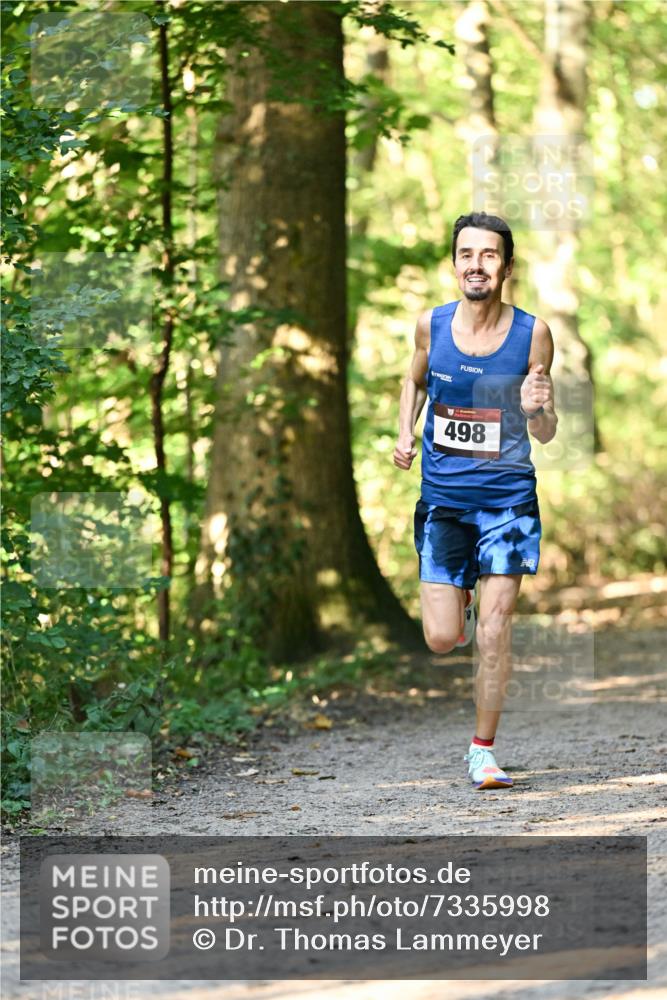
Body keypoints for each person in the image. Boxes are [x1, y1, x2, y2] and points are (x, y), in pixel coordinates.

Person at [393, 212, 558, 790]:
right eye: (467, 254)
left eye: (489, 255)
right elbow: (413, 381)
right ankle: (456, 601)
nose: (476, 265)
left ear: (507, 267)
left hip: (508, 501)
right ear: (455, 263)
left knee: (495, 630)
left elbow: (545, 432)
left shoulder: (532, 334)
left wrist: (539, 408)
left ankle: (483, 751)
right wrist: (403, 431)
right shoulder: (430, 327)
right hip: (444, 500)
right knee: (442, 638)